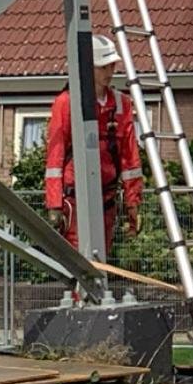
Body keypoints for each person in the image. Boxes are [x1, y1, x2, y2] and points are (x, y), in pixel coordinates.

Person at [43, 33, 143, 252]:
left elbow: (129, 158)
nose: (110, 72)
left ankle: (92, 287)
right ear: (88, 68)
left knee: (100, 258)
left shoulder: (120, 104)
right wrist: (54, 203)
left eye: (112, 66)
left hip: (106, 198)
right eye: (103, 67)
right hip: (76, 198)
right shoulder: (66, 103)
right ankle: (81, 288)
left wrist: (133, 201)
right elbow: (55, 156)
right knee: (81, 259)